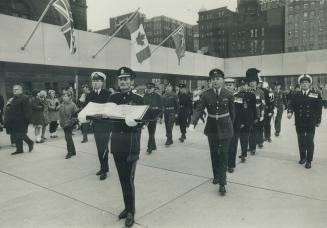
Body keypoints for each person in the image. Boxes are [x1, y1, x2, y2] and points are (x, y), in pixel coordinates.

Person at [107, 67, 145, 227]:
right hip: (116, 142)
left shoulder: (138, 99)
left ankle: (131, 211)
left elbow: (143, 121)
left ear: (132, 81)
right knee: (122, 178)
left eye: (126, 79)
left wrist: (135, 124)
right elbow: (107, 118)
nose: (123, 82)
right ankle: (127, 206)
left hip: (131, 143)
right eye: (120, 79)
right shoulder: (112, 97)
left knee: (129, 179)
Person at [189, 68, 235, 195]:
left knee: (224, 155)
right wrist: (193, 123)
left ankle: (222, 183)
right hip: (212, 128)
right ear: (210, 81)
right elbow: (199, 110)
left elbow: (232, 114)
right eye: (213, 79)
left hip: (226, 127)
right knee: (214, 154)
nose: (215, 81)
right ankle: (216, 175)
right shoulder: (205, 94)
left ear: (222, 80)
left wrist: (231, 126)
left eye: (218, 79)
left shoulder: (229, 94)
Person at [287, 74, 322, 169]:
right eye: (302, 83)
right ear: (300, 84)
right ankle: (303, 157)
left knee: (309, 141)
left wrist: (318, 120)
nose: (304, 84)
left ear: (309, 84)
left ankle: (309, 160)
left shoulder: (315, 94)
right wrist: (289, 112)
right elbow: (290, 104)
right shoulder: (295, 94)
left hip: (311, 122)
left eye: (306, 82)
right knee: (301, 140)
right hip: (299, 121)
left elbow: (319, 108)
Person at [86, 72, 111, 180]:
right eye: (94, 81)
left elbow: (111, 109)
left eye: (97, 81)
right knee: (99, 147)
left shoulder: (108, 94)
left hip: (105, 125)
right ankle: (103, 167)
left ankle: (104, 170)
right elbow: (86, 110)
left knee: (103, 147)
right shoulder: (90, 95)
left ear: (102, 82)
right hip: (96, 125)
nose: (95, 83)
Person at [228, 78, 256, 173]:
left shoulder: (252, 96)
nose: (243, 86)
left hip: (247, 121)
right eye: (241, 85)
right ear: (239, 86)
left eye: (244, 85)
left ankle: (244, 154)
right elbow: (233, 110)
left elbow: (253, 108)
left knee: (244, 139)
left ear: (247, 86)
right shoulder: (235, 96)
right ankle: (231, 164)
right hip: (236, 122)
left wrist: (255, 118)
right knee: (233, 142)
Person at [4, 85, 34, 155]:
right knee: (15, 134)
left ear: (21, 90)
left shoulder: (24, 98)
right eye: (14, 89)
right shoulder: (13, 98)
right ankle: (19, 149)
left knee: (21, 134)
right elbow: (10, 108)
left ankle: (30, 142)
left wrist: (28, 120)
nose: (15, 90)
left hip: (22, 120)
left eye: (17, 89)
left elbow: (28, 110)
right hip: (14, 120)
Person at [246, 68, 265, 154]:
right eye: (250, 81)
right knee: (250, 131)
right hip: (248, 114)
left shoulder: (260, 92)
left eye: (253, 81)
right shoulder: (246, 91)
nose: (252, 83)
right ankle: (252, 147)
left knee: (258, 130)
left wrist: (262, 114)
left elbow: (263, 104)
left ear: (256, 82)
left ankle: (258, 143)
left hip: (257, 113)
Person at [143, 82, 163, 154]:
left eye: (151, 88)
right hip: (147, 116)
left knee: (152, 132)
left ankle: (149, 147)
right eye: (148, 88)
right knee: (150, 132)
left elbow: (161, 107)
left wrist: (160, 117)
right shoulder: (145, 96)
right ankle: (153, 146)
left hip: (154, 116)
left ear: (154, 88)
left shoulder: (158, 96)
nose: (149, 89)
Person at [59, 91, 78, 159]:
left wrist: (72, 121)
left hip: (70, 123)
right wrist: (60, 122)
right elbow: (60, 114)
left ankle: (69, 152)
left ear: (69, 97)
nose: (63, 97)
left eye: (65, 96)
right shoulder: (62, 104)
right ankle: (73, 151)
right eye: (63, 96)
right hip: (64, 123)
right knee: (68, 138)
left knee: (68, 138)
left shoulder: (73, 105)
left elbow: (76, 114)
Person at [162, 82, 179, 146]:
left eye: (170, 87)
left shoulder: (174, 95)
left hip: (172, 112)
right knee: (167, 126)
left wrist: (177, 113)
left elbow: (177, 105)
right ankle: (170, 139)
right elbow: (162, 105)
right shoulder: (163, 95)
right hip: (166, 112)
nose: (168, 88)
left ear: (172, 88)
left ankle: (168, 139)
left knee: (169, 126)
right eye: (167, 87)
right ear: (166, 88)